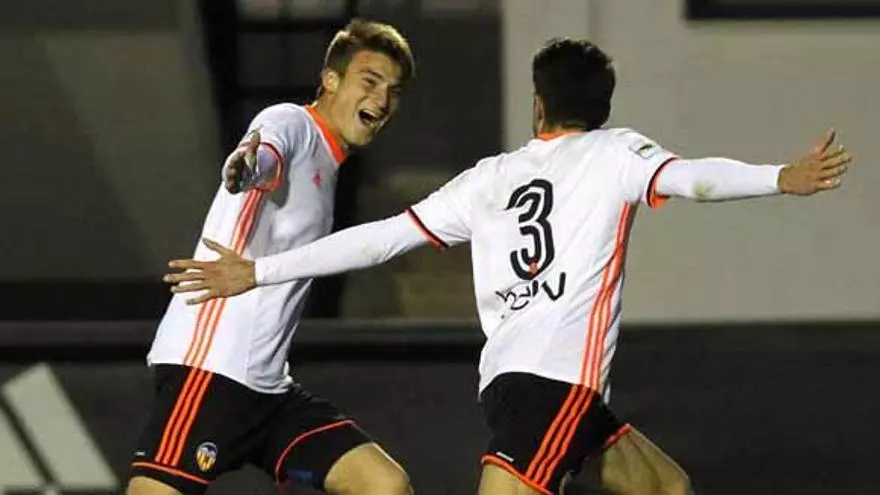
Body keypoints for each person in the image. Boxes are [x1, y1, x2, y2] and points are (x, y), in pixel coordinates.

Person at [163, 38, 852, 495]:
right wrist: (779, 177)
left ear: (539, 105)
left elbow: (377, 240)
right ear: (604, 108)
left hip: (513, 384)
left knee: (665, 487)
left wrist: (262, 270)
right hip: (559, 384)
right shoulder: (617, 154)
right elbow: (693, 177)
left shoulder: (488, 178)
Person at [128, 19, 417, 495]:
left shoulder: (328, 163)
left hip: (266, 388)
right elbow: (264, 153)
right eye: (370, 81)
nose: (382, 99)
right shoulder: (292, 122)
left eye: (394, 90)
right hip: (211, 367)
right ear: (330, 80)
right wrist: (246, 165)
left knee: (384, 485)